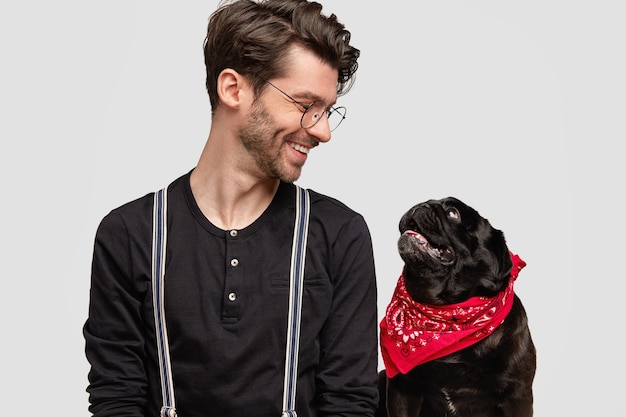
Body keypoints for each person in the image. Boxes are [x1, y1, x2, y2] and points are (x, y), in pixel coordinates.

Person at [83, 0, 379, 416]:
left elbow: (349, 402)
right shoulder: (129, 234)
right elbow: (117, 397)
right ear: (233, 89)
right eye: (305, 104)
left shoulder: (339, 235)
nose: (323, 131)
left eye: (327, 111)